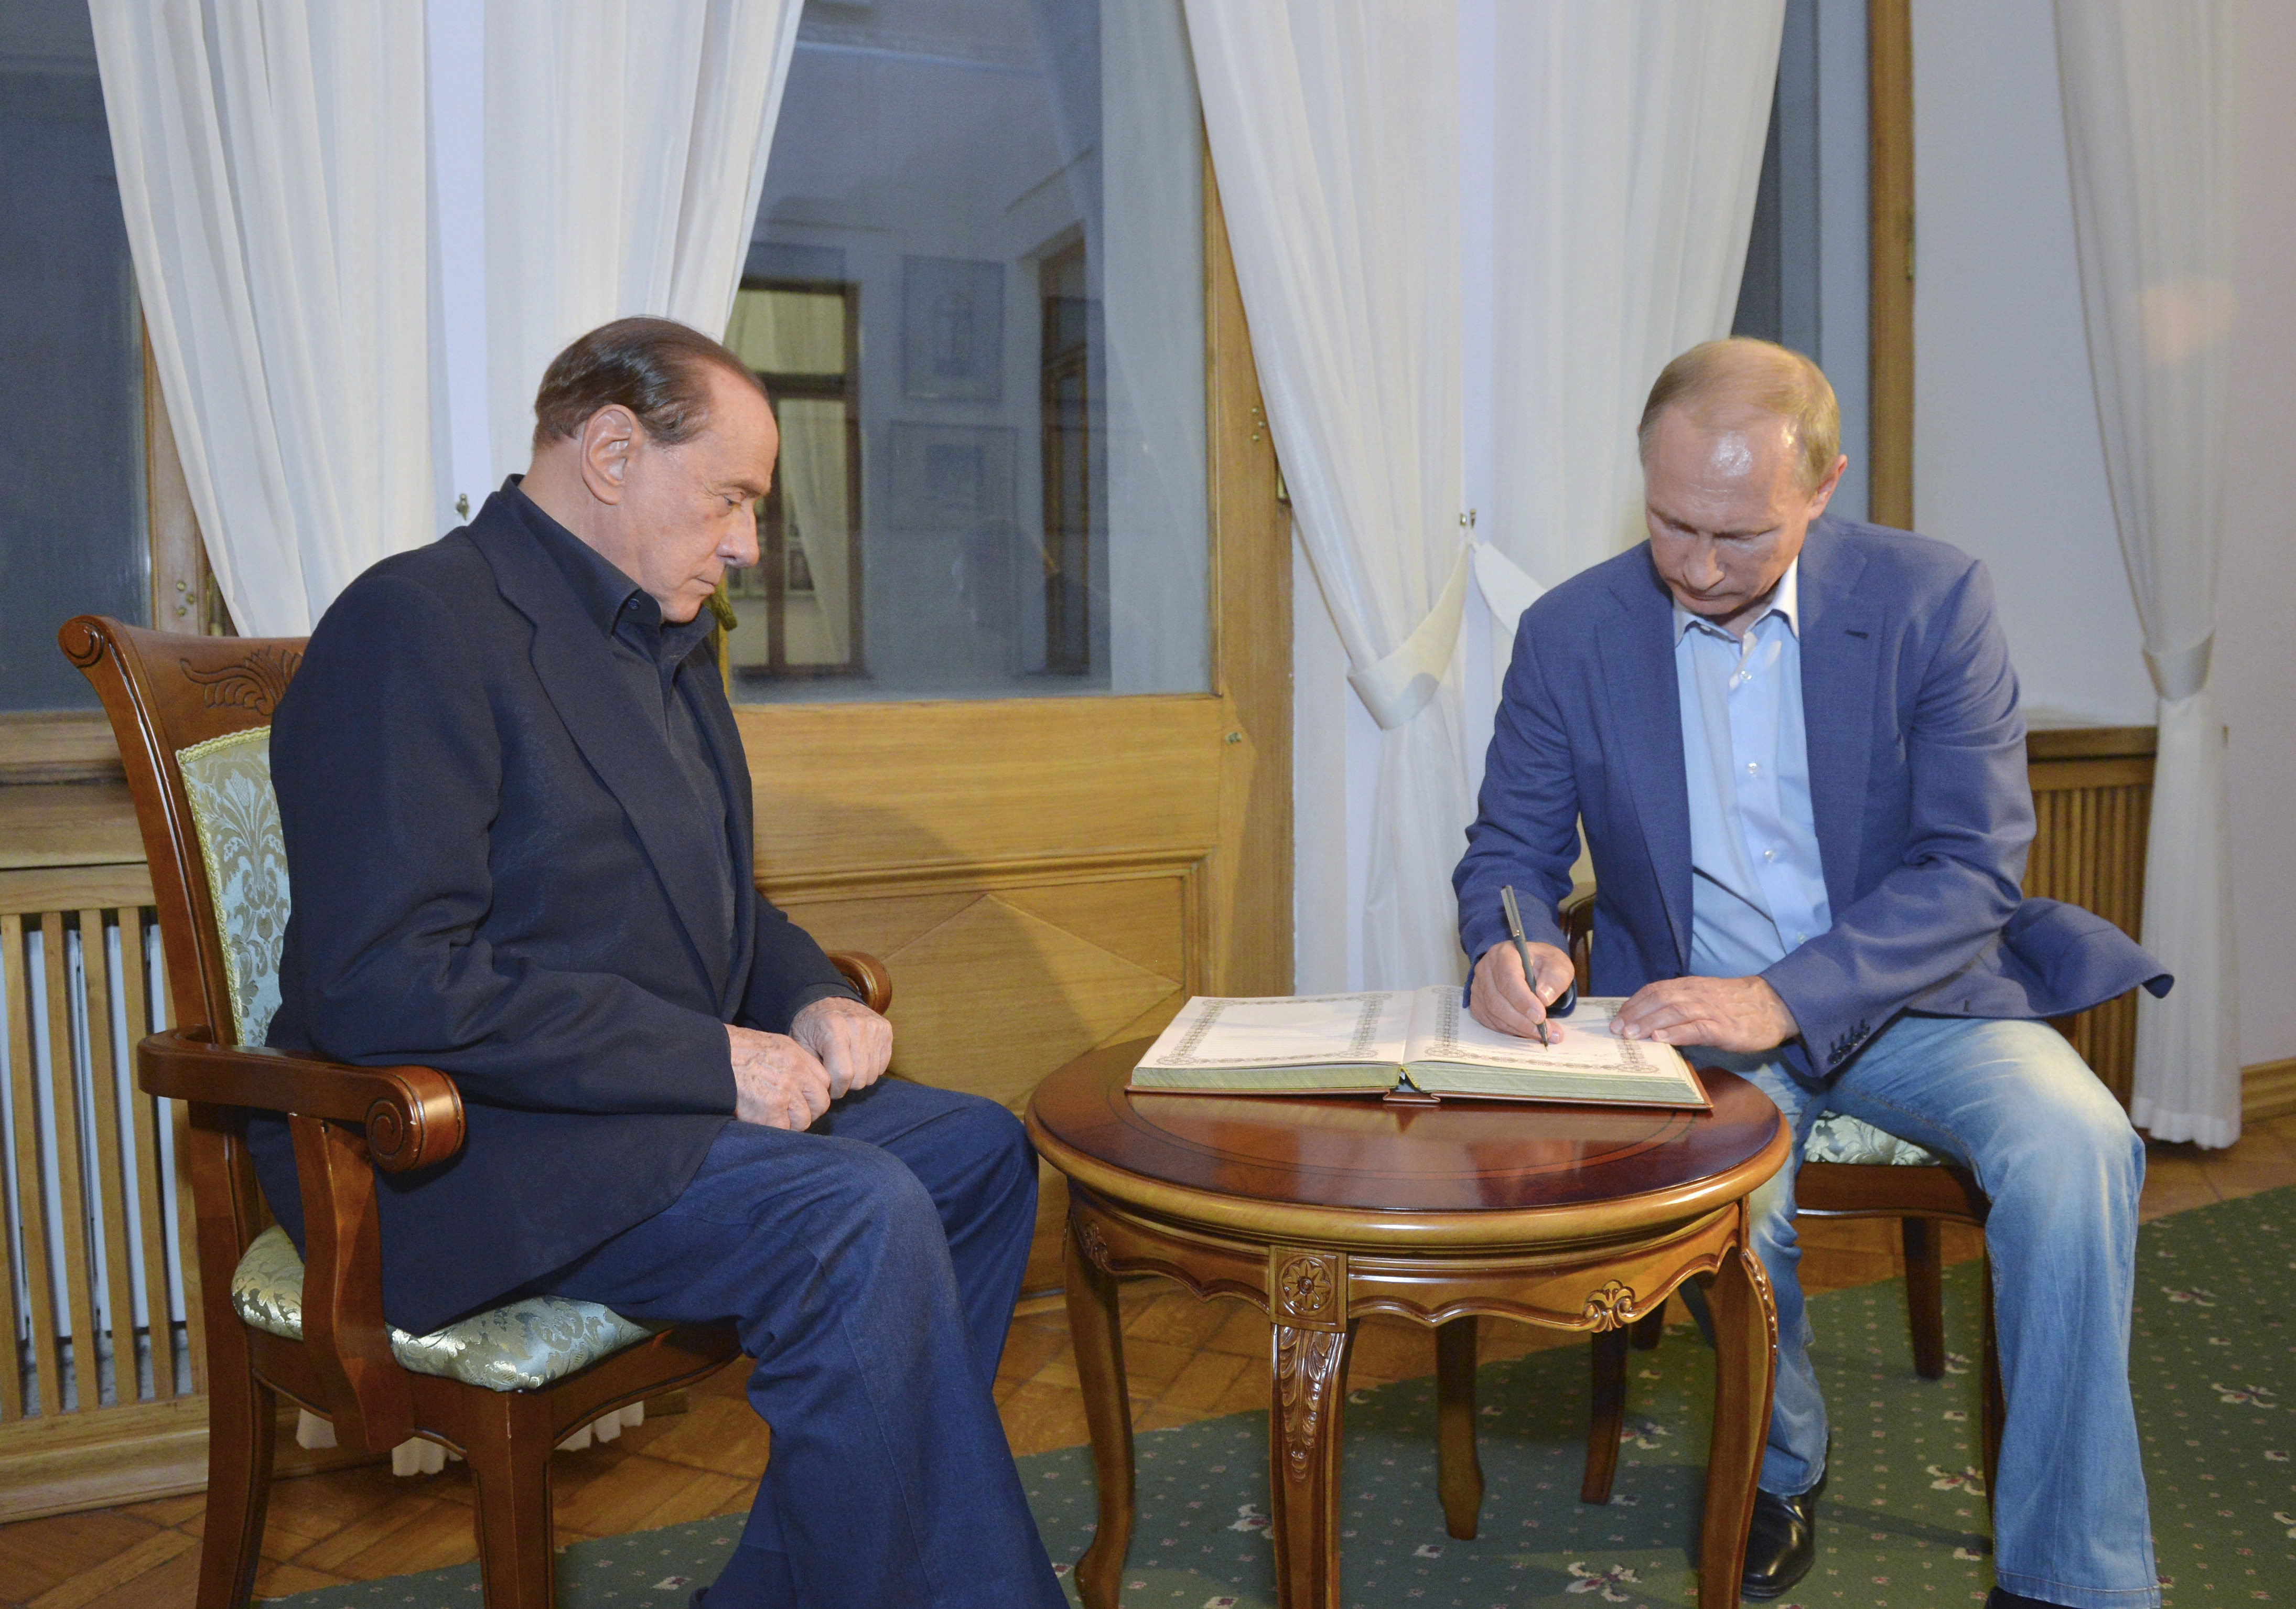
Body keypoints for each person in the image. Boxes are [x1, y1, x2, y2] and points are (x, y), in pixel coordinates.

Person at [253, 316, 1065, 1608]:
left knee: (971, 1154)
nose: (749, 541)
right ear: (613, 452)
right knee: (852, 1214)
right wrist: (705, 1058)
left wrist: (808, 994)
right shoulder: (414, 622)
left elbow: (717, 905)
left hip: (624, 1112)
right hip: (465, 1147)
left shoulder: (666, 633)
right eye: (732, 498)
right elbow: (383, 977)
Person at [1453, 338, 2169, 1609]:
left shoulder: (1932, 600)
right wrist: (1509, 946)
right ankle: (1780, 1468)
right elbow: (1508, 852)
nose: (1699, 567)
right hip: (1690, 1012)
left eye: (1740, 536)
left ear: (1826, 485)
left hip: (1916, 994)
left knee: (2082, 1147)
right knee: (1746, 1198)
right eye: (1673, 526)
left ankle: (2070, 1575)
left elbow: (1972, 866)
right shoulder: (1573, 633)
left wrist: (1786, 997)